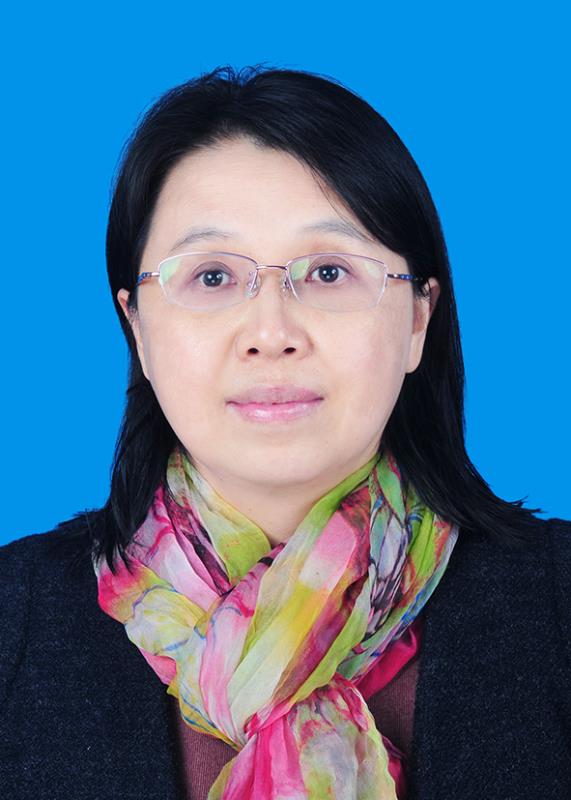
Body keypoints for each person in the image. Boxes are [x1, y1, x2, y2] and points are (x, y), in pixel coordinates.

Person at [0, 64, 569, 800]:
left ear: (417, 320)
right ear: (137, 327)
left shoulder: (554, 604)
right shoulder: (13, 619)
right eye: (212, 277)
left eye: (329, 272)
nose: (271, 333)